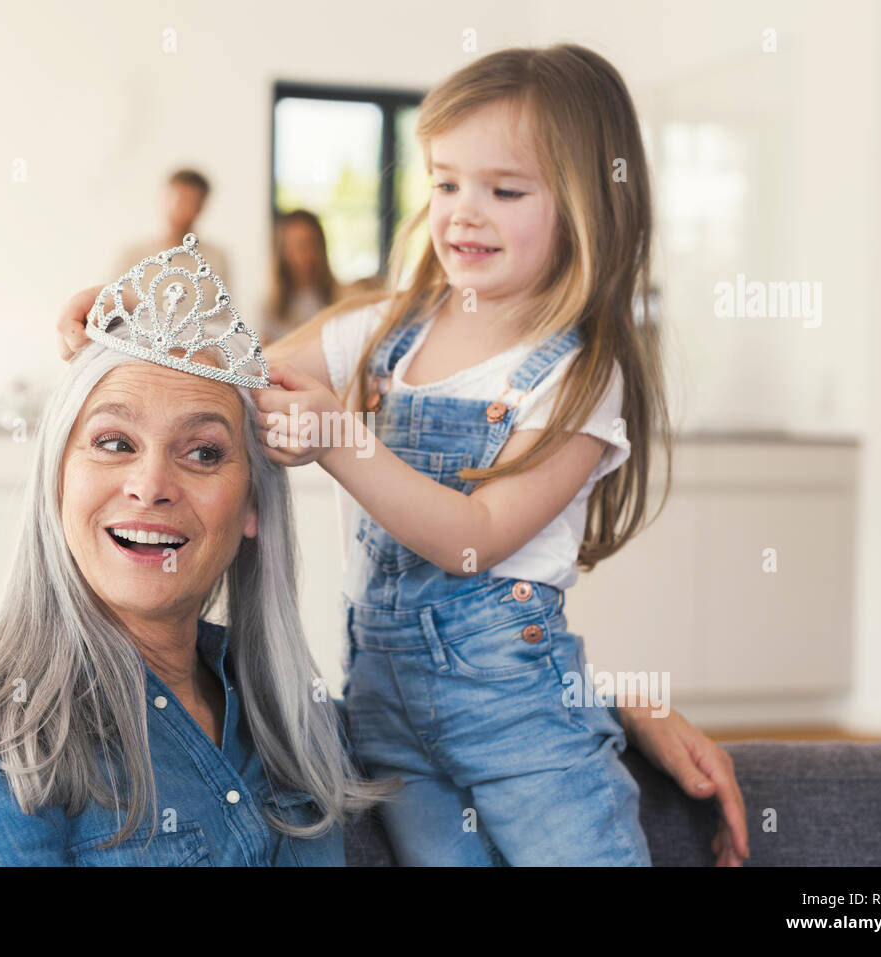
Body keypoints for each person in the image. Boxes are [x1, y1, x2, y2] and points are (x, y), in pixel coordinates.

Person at [249, 44, 682, 865]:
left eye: (504, 189)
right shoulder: (379, 329)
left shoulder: (579, 374)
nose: (462, 211)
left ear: (590, 206)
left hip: (519, 714)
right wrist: (136, 317)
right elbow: (244, 372)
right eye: (445, 182)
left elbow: (473, 536)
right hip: (385, 708)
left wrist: (339, 437)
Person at [0, 307, 393, 865]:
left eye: (203, 452)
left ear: (252, 503)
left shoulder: (305, 720)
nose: (152, 485)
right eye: (114, 442)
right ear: (57, 481)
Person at [112, 168, 232, 289]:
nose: (177, 209)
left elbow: (224, 306)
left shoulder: (216, 260)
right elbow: (112, 302)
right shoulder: (133, 256)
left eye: (187, 202)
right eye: (173, 199)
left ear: (200, 207)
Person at [259, 209, 342, 345]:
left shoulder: (339, 298)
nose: (305, 253)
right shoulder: (270, 305)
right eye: (297, 245)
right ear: (283, 251)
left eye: (311, 243)